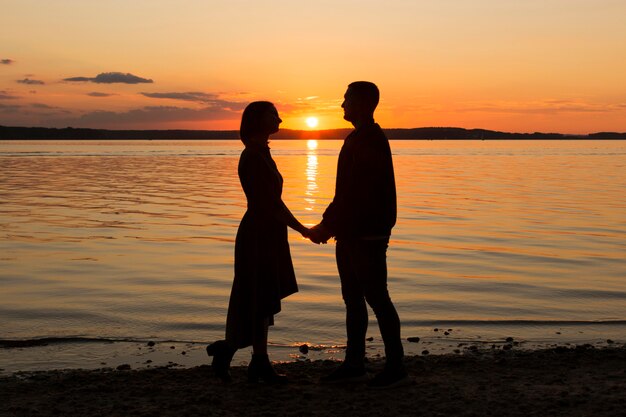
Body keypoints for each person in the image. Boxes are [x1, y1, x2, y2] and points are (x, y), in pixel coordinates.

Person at [309, 81, 408, 388]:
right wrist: (333, 225)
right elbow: (348, 192)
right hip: (351, 233)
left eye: (346, 100)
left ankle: (396, 367)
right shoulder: (358, 137)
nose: (342, 105)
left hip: (367, 235)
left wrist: (327, 225)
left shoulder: (371, 139)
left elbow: (356, 192)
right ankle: (354, 364)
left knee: (377, 297)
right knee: (353, 299)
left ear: (363, 104)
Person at [207, 101, 310, 384]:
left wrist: (299, 228)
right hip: (258, 233)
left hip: (268, 231)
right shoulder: (252, 155)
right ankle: (248, 359)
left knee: (262, 298)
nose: (279, 118)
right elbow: (270, 204)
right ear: (257, 120)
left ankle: (241, 355)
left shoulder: (262, 152)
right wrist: (304, 229)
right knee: (257, 298)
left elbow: (274, 204)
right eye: (272, 114)